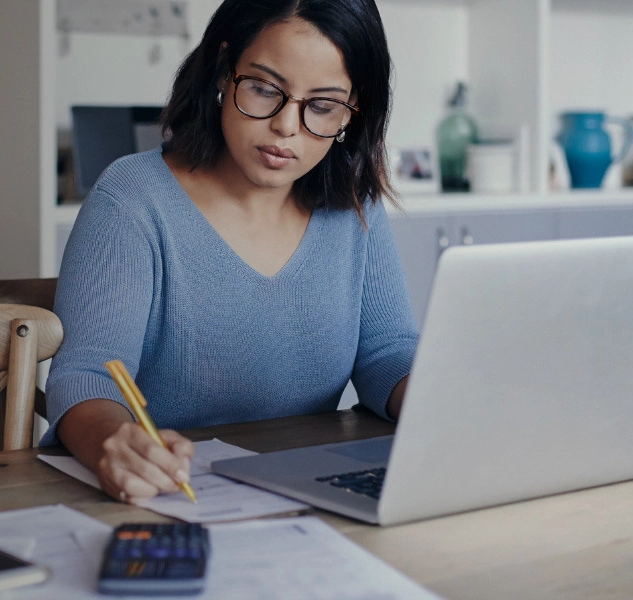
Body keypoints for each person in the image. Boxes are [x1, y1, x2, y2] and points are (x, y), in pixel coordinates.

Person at [43, 0, 417, 506]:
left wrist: (433, 399)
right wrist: (115, 440)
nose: (287, 126)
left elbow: (385, 354)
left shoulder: (355, 206)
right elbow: (87, 376)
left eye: (323, 106)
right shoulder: (132, 200)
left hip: (305, 495)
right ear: (224, 70)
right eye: (265, 89)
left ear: (355, 110)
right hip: (164, 498)